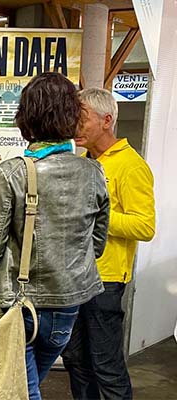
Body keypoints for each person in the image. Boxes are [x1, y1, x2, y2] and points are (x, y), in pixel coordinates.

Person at [0, 72, 110, 400]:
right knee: (25, 385)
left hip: (20, 304)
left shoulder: (11, 172)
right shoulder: (94, 172)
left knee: (22, 391)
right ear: (72, 118)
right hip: (68, 304)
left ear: (26, 118)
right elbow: (98, 244)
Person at [62, 88, 156, 400]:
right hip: (74, 278)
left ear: (106, 120)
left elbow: (145, 225)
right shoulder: (81, 162)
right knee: (75, 360)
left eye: (82, 117)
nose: (74, 124)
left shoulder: (131, 165)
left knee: (106, 365)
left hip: (106, 281)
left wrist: (98, 216)